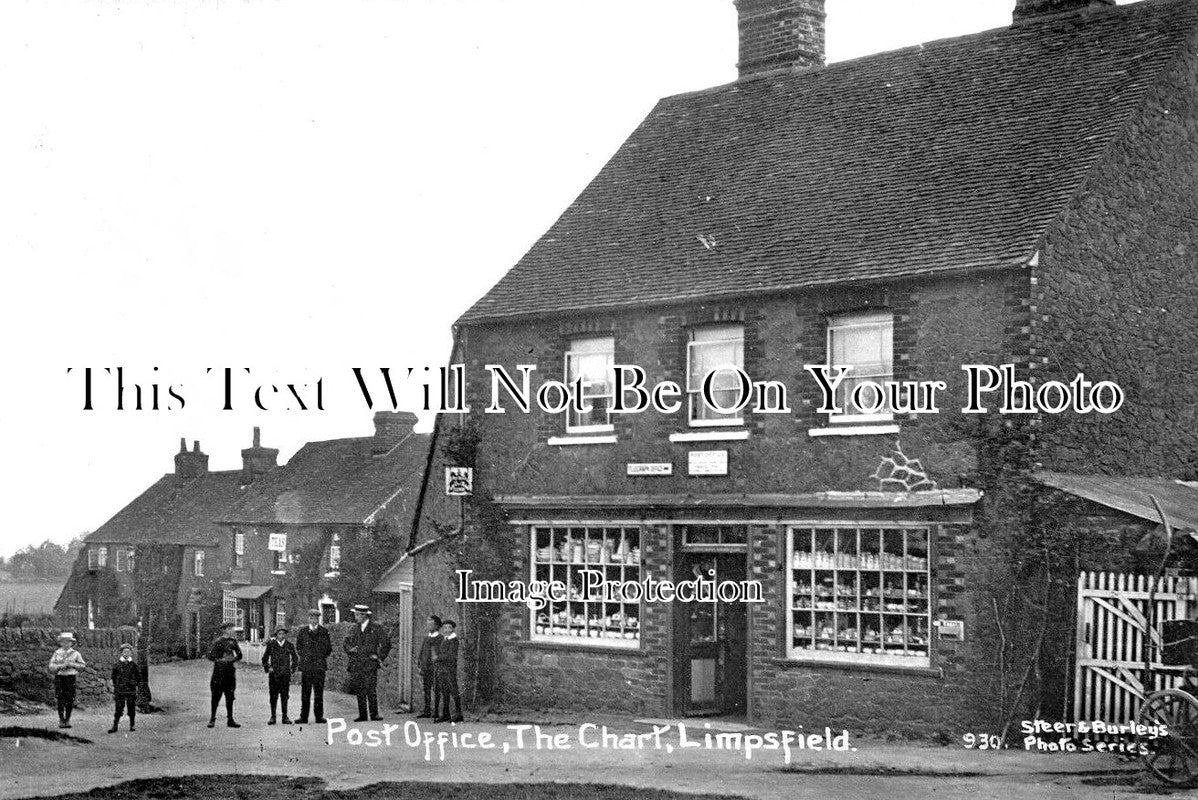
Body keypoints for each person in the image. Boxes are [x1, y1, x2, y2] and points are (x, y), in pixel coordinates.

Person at [344, 604, 390, 722]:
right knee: (359, 689)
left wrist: (379, 656)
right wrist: (350, 649)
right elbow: (346, 643)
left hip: (370, 663)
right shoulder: (354, 628)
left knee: (370, 689)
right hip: (357, 663)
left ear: (363, 615)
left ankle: (374, 714)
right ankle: (362, 715)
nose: (356, 617)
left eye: (357, 615)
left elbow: (386, 644)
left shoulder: (375, 628)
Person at [295, 608, 332, 724]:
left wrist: (319, 657)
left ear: (318, 619)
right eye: (311, 618)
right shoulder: (303, 631)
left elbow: (328, 649)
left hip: (319, 667)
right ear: (308, 618)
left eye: (315, 618)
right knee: (305, 693)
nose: (313, 620)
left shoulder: (324, 632)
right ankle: (303, 717)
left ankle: (319, 717)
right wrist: (306, 657)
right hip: (306, 667)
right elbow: (299, 647)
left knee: (318, 693)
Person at [206, 621, 242, 728]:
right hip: (219, 672)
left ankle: (230, 720)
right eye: (231, 629)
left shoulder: (233, 642)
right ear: (225, 630)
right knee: (216, 696)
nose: (233, 630)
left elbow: (240, 655)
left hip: (230, 672)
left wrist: (232, 659)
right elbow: (209, 655)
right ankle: (212, 719)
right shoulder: (218, 642)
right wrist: (220, 660)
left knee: (230, 696)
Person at [48, 631, 86, 729]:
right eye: (63, 642)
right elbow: (51, 666)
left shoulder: (76, 654)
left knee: (70, 699)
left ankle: (67, 719)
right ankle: (61, 719)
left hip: (70, 678)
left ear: (71, 643)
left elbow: (82, 666)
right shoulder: (57, 653)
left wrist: (72, 665)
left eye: (68, 642)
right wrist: (60, 666)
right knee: (60, 698)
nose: (66, 644)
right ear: (60, 643)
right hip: (60, 678)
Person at [262, 625, 299, 725]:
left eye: (283, 634)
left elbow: (295, 658)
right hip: (274, 675)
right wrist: (268, 667)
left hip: (285, 675)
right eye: (279, 634)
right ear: (276, 635)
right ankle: (273, 716)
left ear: (285, 635)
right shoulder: (271, 645)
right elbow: (264, 658)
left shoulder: (289, 645)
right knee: (273, 696)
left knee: (285, 696)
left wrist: (292, 668)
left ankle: (285, 716)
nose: (281, 636)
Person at [432, 619, 463, 724]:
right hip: (442, 669)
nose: (447, 630)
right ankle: (445, 714)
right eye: (445, 628)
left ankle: (459, 714)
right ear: (442, 629)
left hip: (449, 668)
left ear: (453, 629)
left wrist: (437, 657)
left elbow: (450, 656)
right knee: (444, 691)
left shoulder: (454, 640)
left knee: (453, 690)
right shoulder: (445, 639)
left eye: (449, 628)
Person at [109, 642, 140, 733]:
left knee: (131, 707)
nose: (126, 654)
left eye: (128, 652)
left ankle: (132, 725)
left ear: (131, 653)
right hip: (120, 690)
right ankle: (115, 726)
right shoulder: (117, 665)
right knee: (118, 708)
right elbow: (113, 677)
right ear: (121, 653)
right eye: (124, 652)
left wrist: (134, 684)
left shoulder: (134, 665)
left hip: (131, 689)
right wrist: (116, 686)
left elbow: (138, 677)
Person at [415, 615, 442, 718]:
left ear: (436, 626)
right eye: (428, 624)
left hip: (435, 668)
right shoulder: (427, 638)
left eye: (431, 624)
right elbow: (422, 652)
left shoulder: (440, 638)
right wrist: (419, 664)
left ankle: (436, 711)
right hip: (426, 668)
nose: (428, 626)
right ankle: (427, 711)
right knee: (426, 689)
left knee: (436, 689)